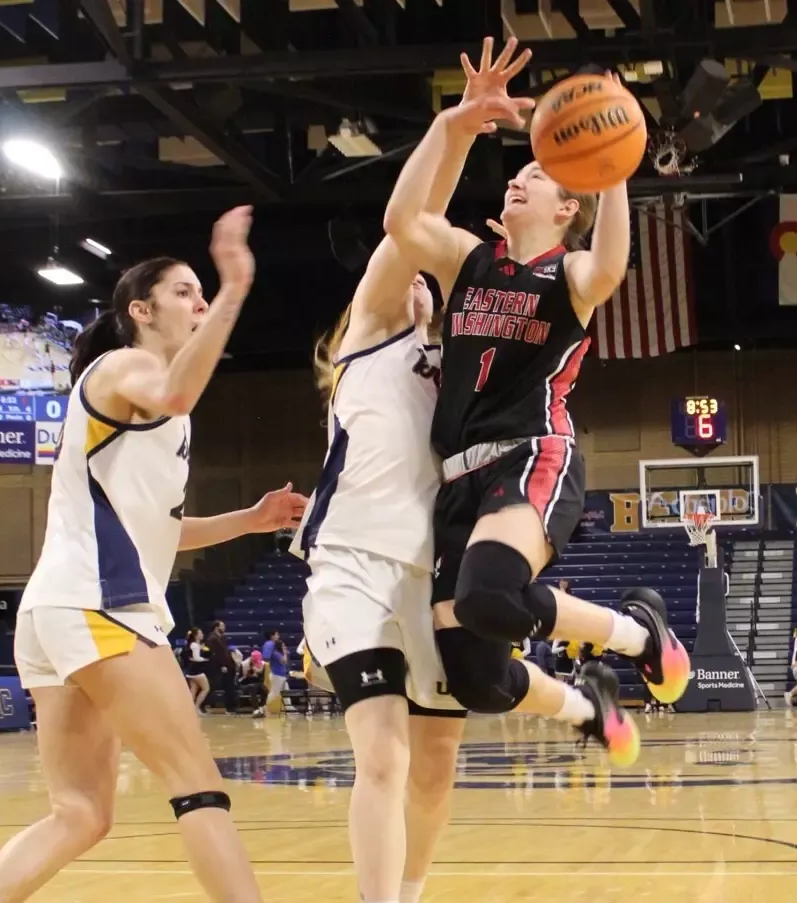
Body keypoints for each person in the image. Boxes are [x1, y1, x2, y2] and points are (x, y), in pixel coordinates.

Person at [0, 209, 309, 903]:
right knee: (197, 785)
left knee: (80, 813)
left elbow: (160, 532)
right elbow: (179, 389)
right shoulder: (129, 366)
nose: (199, 302)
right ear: (140, 311)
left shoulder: (153, 407)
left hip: (58, 610)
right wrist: (235, 286)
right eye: (185, 291)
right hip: (98, 608)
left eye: (202, 293)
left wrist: (250, 519)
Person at [381, 36, 689, 763]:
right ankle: (589, 701)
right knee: (476, 680)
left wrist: (613, 170)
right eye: (517, 174)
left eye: (537, 176)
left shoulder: (569, 274)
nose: (518, 182)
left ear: (566, 206)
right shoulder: (469, 260)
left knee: (489, 597)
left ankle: (641, 634)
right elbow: (402, 221)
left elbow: (611, 264)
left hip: (529, 454)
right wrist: (454, 125)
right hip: (455, 479)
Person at [292, 88, 496, 901]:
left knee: (435, 768)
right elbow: (410, 223)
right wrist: (454, 129)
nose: (417, 280)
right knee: (382, 753)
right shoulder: (370, 333)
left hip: (434, 575)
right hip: (353, 561)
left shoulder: (462, 368)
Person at [181, 627, 211, 713]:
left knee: (193, 689)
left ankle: (189, 709)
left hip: (192, 670)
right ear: (196, 635)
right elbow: (196, 658)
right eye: (200, 633)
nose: (202, 635)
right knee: (206, 688)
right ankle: (196, 707)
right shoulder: (194, 645)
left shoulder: (195, 645)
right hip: (196, 670)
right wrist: (205, 659)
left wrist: (200, 649)